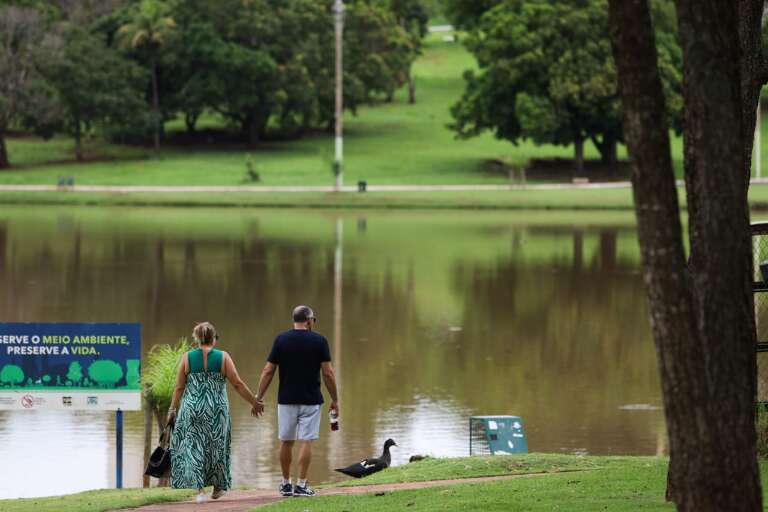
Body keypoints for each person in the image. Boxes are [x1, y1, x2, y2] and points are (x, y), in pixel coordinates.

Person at [252, 305, 339, 498]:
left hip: (286, 400)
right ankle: (301, 485)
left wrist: (258, 397)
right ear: (309, 321)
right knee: (306, 441)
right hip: (311, 400)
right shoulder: (320, 341)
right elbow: (328, 373)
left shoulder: (281, 340)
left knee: (286, 441)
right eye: (313, 320)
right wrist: (335, 399)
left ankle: (285, 484)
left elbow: (268, 371)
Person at [168, 322, 260, 503]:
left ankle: (200, 489)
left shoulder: (187, 358)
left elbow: (179, 387)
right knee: (217, 447)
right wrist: (254, 402)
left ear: (196, 339)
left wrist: (172, 409)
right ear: (213, 338)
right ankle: (218, 488)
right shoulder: (223, 357)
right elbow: (237, 384)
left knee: (193, 447)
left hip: (192, 409)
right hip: (216, 410)